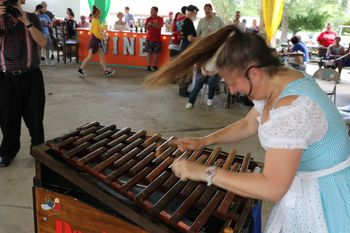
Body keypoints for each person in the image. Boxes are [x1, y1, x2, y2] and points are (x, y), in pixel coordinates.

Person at [146, 25, 350, 232]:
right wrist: (204, 141)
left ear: (254, 73)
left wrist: (203, 172)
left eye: (232, 83)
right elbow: (249, 122)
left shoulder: (292, 109)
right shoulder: (281, 78)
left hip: (326, 196)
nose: (232, 90)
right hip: (311, 185)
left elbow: (273, 187)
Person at [0, 0, 47, 167]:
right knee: (7, 118)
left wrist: (26, 22)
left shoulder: (32, 17)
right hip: (6, 79)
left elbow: (43, 42)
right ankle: (8, 151)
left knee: (35, 117)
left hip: (31, 76)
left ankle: (38, 151)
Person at [185, 3, 225, 109]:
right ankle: (191, 101)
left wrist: (212, 72)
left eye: (209, 9)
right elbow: (197, 34)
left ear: (211, 10)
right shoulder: (201, 21)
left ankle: (210, 98)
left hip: (215, 49)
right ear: (204, 11)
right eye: (206, 9)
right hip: (204, 49)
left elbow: (225, 31)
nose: (207, 11)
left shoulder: (218, 20)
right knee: (199, 80)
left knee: (212, 81)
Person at [77, 5, 115, 78]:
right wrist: (103, 35)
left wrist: (103, 27)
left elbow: (97, 31)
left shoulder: (96, 20)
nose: (100, 15)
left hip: (96, 40)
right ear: (97, 14)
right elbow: (96, 33)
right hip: (95, 41)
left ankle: (106, 71)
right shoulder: (95, 21)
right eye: (100, 13)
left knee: (100, 56)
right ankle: (80, 69)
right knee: (90, 56)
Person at [178, 5, 199, 97]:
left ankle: (183, 89)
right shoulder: (188, 22)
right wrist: (200, 39)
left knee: (184, 69)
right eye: (196, 13)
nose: (196, 15)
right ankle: (183, 91)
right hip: (187, 47)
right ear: (192, 12)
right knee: (186, 69)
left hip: (184, 46)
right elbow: (190, 38)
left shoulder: (185, 21)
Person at [143, 6, 164, 72]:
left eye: (153, 10)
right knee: (149, 53)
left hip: (157, 38)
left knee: (155, 53)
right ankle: (148, 66)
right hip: (149, 38)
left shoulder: (160, 18)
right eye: (151, 10)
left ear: (156, 11)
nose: (151, 12)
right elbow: (146, 27)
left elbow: (159, 26)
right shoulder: (148, 18)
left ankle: (154, 66)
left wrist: (151, 24)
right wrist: (150, 24)